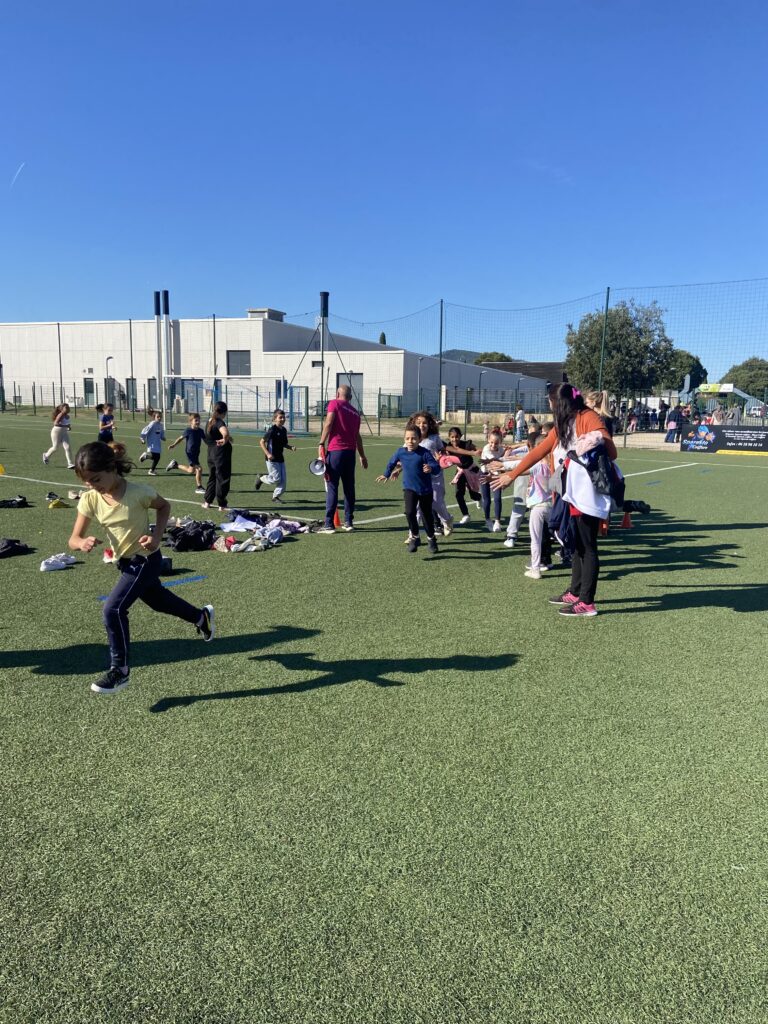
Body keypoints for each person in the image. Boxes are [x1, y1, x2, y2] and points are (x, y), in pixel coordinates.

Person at [68, 441, 214, 694]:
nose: (92, 486)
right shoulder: (90, 499)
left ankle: (120, 671)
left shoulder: (138, 492)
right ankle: (202, 617)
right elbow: (73, 539)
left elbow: (164, 506)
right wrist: (82, 542)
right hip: (124, 562)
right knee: (158, 601)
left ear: (112, 468)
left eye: (96, 479)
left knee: (112, 610)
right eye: (87, 482)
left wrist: (156, 537)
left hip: (146, 559)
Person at [491, 382, 617, 617]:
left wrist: (590, 443)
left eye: (550, 403)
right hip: (572, 490)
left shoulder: (587, 417)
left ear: (559, 403)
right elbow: (540, 451)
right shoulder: (565, 422)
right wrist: (512, 473)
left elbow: (612, 451)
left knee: (588, 546)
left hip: (588, 492)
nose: (549, 407)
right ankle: (576, 591)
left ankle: (587, 603)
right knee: (577, 543)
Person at [376, 426, 440, 554]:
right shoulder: (401, 452)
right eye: (407, 438)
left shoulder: (425, 453)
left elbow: (436, 466)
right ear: (404, 439)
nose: (410, 441)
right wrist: (386, 474)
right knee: (409, 512)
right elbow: (391, 462)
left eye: (414, 438)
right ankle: (415, 537)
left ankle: (431, 539)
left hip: (425, 490)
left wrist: (430, 468)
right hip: (409, 488)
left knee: (426, 515)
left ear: (419, 439)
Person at [317, 385, 368, 533]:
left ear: (337, 393)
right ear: (350, 397)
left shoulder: (334, 403)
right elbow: (358, 436)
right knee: (349, 488)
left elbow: (328, 423)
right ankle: (349, 521)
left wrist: (321, 442)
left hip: (336, 452)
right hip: (350, 454)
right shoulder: (355, 412)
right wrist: (362, 455)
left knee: (332, 486)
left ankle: (329, 524)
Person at [255, 409, 296, 503]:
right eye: (280, 417)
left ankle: (276, 497)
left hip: (280, 458)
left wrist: (290, 447)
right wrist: (268, 454)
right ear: (274, 419)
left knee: (283, 480)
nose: (282, 419)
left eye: (283, 417)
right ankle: (261, 478)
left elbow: (284, 444)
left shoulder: (284, 430)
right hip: (271, 459)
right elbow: (261, 442)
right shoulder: (272, 430)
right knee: (276, 479)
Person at [444, 427, 480, 525]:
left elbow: (478, 450)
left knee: (473, 494)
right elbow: (445, 458)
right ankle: (466, 515)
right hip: (460, 471)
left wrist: (483, 455)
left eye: (457, 437)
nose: (454, 439)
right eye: (452, 437)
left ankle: (478, 498)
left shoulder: (466, 444)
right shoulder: (449, 447)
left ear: (460, 436)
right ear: (449, 437)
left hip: (471, 470)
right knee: (459, 493)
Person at [202, 401, 233, 511]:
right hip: (221, 454)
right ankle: (222, 504)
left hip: (211, 454)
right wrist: (225, 438)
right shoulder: (219, 422)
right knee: (222, 478)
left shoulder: (209, 421)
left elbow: (210, 436)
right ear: (224, 412)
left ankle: (207, 501)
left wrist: (228, 438)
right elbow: (224, 433)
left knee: (212, 477)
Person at [166, 413, 206, 493]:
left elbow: (206, 440)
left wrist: (213, 445)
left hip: (196, 453)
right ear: (191, 422)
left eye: (199, 420)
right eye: (196, 420)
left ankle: (175, 465)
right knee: (199, 469)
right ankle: (199, 487)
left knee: (191, 470)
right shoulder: (188, 430)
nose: (198, 422)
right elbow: (180, 438)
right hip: (190, 453)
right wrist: (174, 445)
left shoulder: (201, 431)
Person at [479, 427, 506, 531]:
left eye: (496, 443)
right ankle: (487, 519)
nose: (493, 445)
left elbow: (502, 462)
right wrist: (504, 458)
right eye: (491, 442)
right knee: (487, 499)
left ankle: (497, 522)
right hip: (485, 474)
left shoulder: (501, 450)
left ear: (500, 442)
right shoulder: (486, 449)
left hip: (495, 475)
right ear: (488, 441)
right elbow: (494, 461)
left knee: (497, 498)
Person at [42, 403, 75, 469]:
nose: (68, 408)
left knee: (67, 447)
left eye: (68, 407)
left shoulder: (68, 416)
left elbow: (66, 425)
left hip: (64, 433)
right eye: (66, 407)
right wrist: (65, 426)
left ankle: (70, 463)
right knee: (55, 448)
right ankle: (46, 455)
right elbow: (55, 423)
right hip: (56, 432)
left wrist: (68, 427)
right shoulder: (61, 414)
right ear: (62, 409)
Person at [139, 410, 165, 476]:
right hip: (152, 443)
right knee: (157, 457)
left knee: (156, 457)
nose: (159, 418)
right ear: (154, 417)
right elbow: (146, 429)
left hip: (157, 443)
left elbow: (161, 433)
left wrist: (163, 437)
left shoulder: (161, 425)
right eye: (158, 417)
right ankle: (151, 470)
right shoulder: (152, 423)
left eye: (160, 417)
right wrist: (142, 438)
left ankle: (146, 456)